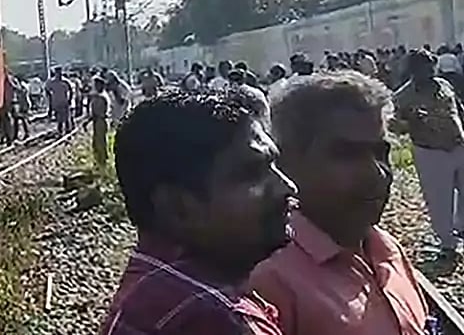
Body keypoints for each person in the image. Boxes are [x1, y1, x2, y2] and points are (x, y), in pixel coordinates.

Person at [250, 71, 429, 335]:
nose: (378, 173)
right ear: (286, 164)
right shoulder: (268, 280)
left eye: (381, 153)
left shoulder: (384, 248)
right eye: (347, 154)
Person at [101, 92, 294, 335]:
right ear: (177, 207)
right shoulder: (210, 317)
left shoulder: (162, 290)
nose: (287, 187)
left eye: (274, 166)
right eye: (252, 173)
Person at [392, 48, 464, 254]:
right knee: (439, 198)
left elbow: (457, 108)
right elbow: (392, 125)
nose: (429, 72)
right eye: (423, 68)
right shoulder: (403, 96)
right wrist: (410, 121)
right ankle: (447, 242)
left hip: (458, 144)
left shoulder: (444, 84)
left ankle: (461, 228)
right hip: (431, 151)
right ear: (413, 71)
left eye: (431, 66)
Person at [46, 66, 74, 136]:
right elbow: (47, 89)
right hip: (56, 102)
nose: (59, 74)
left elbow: (71, 90)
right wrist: (50, 98)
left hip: (64, 102)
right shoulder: (51, 82)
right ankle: (60, 131)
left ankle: (68, 131)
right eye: (57, 72)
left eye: (60, 72)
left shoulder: (65, 81)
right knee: (59, 119)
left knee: (67, 117)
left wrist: (70, 99)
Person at [90, 76, 111, 167]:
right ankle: (99, 161)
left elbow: (98, 112)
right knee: (97, 142)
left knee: (100, 143)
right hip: (99, 121)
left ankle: (102, 162)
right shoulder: (100, 96)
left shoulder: (101, 97)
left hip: (100, 121)